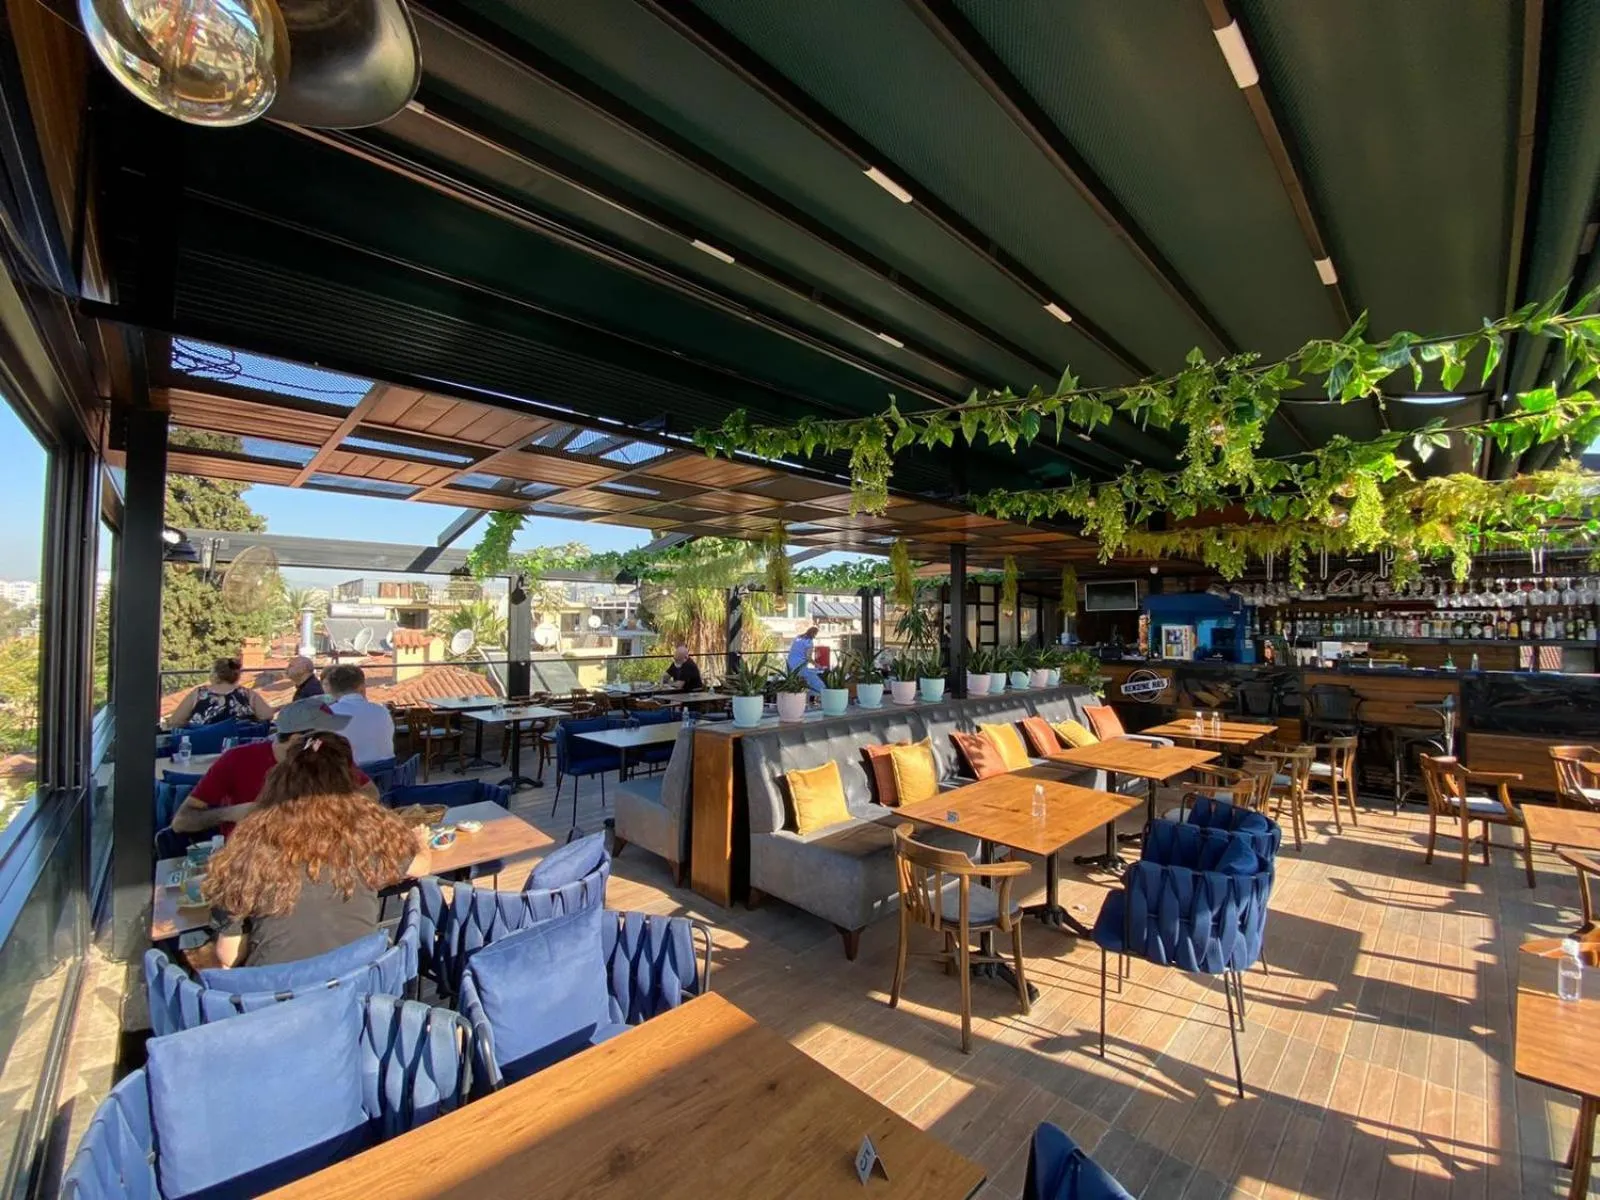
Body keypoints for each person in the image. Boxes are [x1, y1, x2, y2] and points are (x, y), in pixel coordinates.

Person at [202, 734, 430, 968]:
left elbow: (228, 955)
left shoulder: (250, 848)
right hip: (359, 984)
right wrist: (420, 841)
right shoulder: (366, 836)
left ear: (281, 780)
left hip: (279, 995)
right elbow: (421, 866)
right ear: (347, 781)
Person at [171, 699, 377, 836]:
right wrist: (231, 813)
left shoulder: (326, 757)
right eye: (326, 735)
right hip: (252, 864)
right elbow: (181, 822)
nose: (333, 739)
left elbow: (371, 793)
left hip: (316, 855)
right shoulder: (238, 759)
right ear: (298, 739)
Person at [165, 657, 275, 728]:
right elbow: (267, 715)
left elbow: (175, 721)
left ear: (215, 674)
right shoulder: (247, 694)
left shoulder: (199, 694)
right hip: (238, 748)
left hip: (204, 747)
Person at [323, 664, 396, 764]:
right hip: (386, 775)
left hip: (349, 776)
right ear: (362, 687)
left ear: (331, 690)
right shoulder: (382, 711)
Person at [785, 625, 825, 694]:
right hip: (799, 665)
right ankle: (816, 695)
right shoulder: (809, 642)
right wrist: (818, 665)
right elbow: (808, 657)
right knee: (815, 680)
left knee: (795, 681)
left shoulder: (798, 638)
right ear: (814, 634)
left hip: (790, 663)